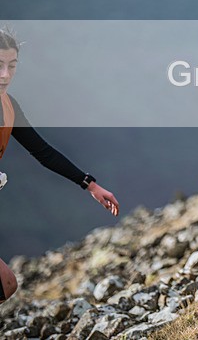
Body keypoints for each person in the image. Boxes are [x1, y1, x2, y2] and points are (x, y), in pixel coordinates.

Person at [0, 29, 120, 304]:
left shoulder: (9, 106)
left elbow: (41, 151)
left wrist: (89, 183)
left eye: (12, 66)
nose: (5, 74)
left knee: (6, 285)